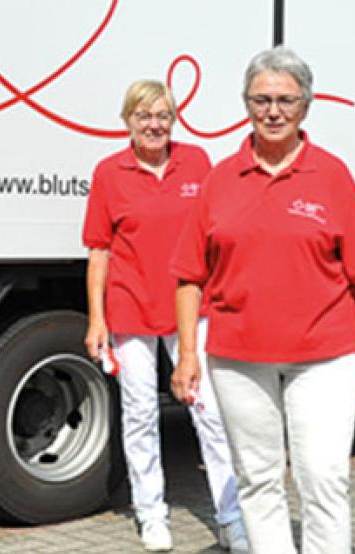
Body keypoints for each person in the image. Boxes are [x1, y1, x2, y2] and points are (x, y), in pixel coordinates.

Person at [169, 46, 355, 554]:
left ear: (306, 107)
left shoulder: (332, 175)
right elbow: (188, 276)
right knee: (257, 479)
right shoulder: (220, 179)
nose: (273, 111)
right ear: (246, 104)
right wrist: (186, 355)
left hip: (325, 357)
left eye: (286, 100)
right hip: (237, 359)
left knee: (323, 479)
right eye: (261, 99)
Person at [82, 80, 247, 552]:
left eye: (162, 115)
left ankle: (230, 517)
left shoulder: (196, 162)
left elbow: (219, 235)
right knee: (140, 416)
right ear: (127, 121)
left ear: (173, 120)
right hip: (131, 308)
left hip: (192, 308)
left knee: (210, 414)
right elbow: (99, 251)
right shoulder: (109, 173)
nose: (153, 125)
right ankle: (151, 514)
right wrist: (97, 319)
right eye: (143, 116)